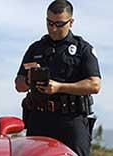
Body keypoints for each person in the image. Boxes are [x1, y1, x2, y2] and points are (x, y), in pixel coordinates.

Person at [15, 0, 101, 156]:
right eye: (49, 23)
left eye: (59, 24)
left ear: (71, 22)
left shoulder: (83, 49)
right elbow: (18, 84)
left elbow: (94, 85)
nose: (53, 28)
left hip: (71, 121)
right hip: (39, 119)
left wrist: (60, 87)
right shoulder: (35, 48)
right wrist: (29, 80)